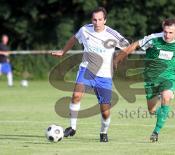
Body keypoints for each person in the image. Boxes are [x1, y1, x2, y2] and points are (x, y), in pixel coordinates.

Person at [114, 18, 175, 142]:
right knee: (152, 110)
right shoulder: (153, 38)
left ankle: (156, 132)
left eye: (170, 32)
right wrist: (118, 59)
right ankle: (162, 112)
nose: (167, 35)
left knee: (166, 97)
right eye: (165, 32)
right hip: (151, 79)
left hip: (168, 78)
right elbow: (135, 44)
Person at [51, 7, 128, 142]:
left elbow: (127, 47)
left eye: (100, 20)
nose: (97, 22)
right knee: (76, 96)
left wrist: (117, 60)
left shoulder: (112, 34)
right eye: (94, 19)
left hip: (104, 76)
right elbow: (73, 39)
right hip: (86, 70)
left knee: (105, 111)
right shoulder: (85, 30)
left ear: (105, 20)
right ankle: (72, 128)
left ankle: (103, 132)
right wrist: (63, 52)